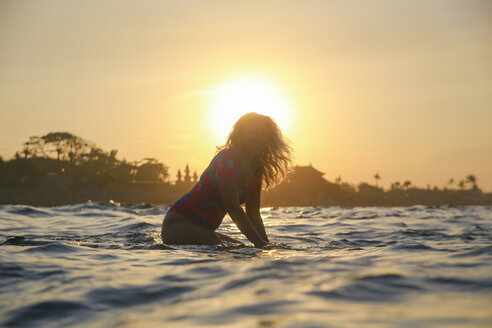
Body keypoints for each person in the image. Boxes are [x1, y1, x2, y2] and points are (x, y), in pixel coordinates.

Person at [161, 112, 293, 248]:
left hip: (203, 230)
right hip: (176, 226)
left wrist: (266, 245)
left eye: (263, 135)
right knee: (220, 245)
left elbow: (253, 213)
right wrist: (260, 244)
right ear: (241, 134)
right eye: (254, 133)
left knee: (240, 247)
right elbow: (233, 207)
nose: (259, 138)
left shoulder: (256, 169)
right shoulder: (226, 160)